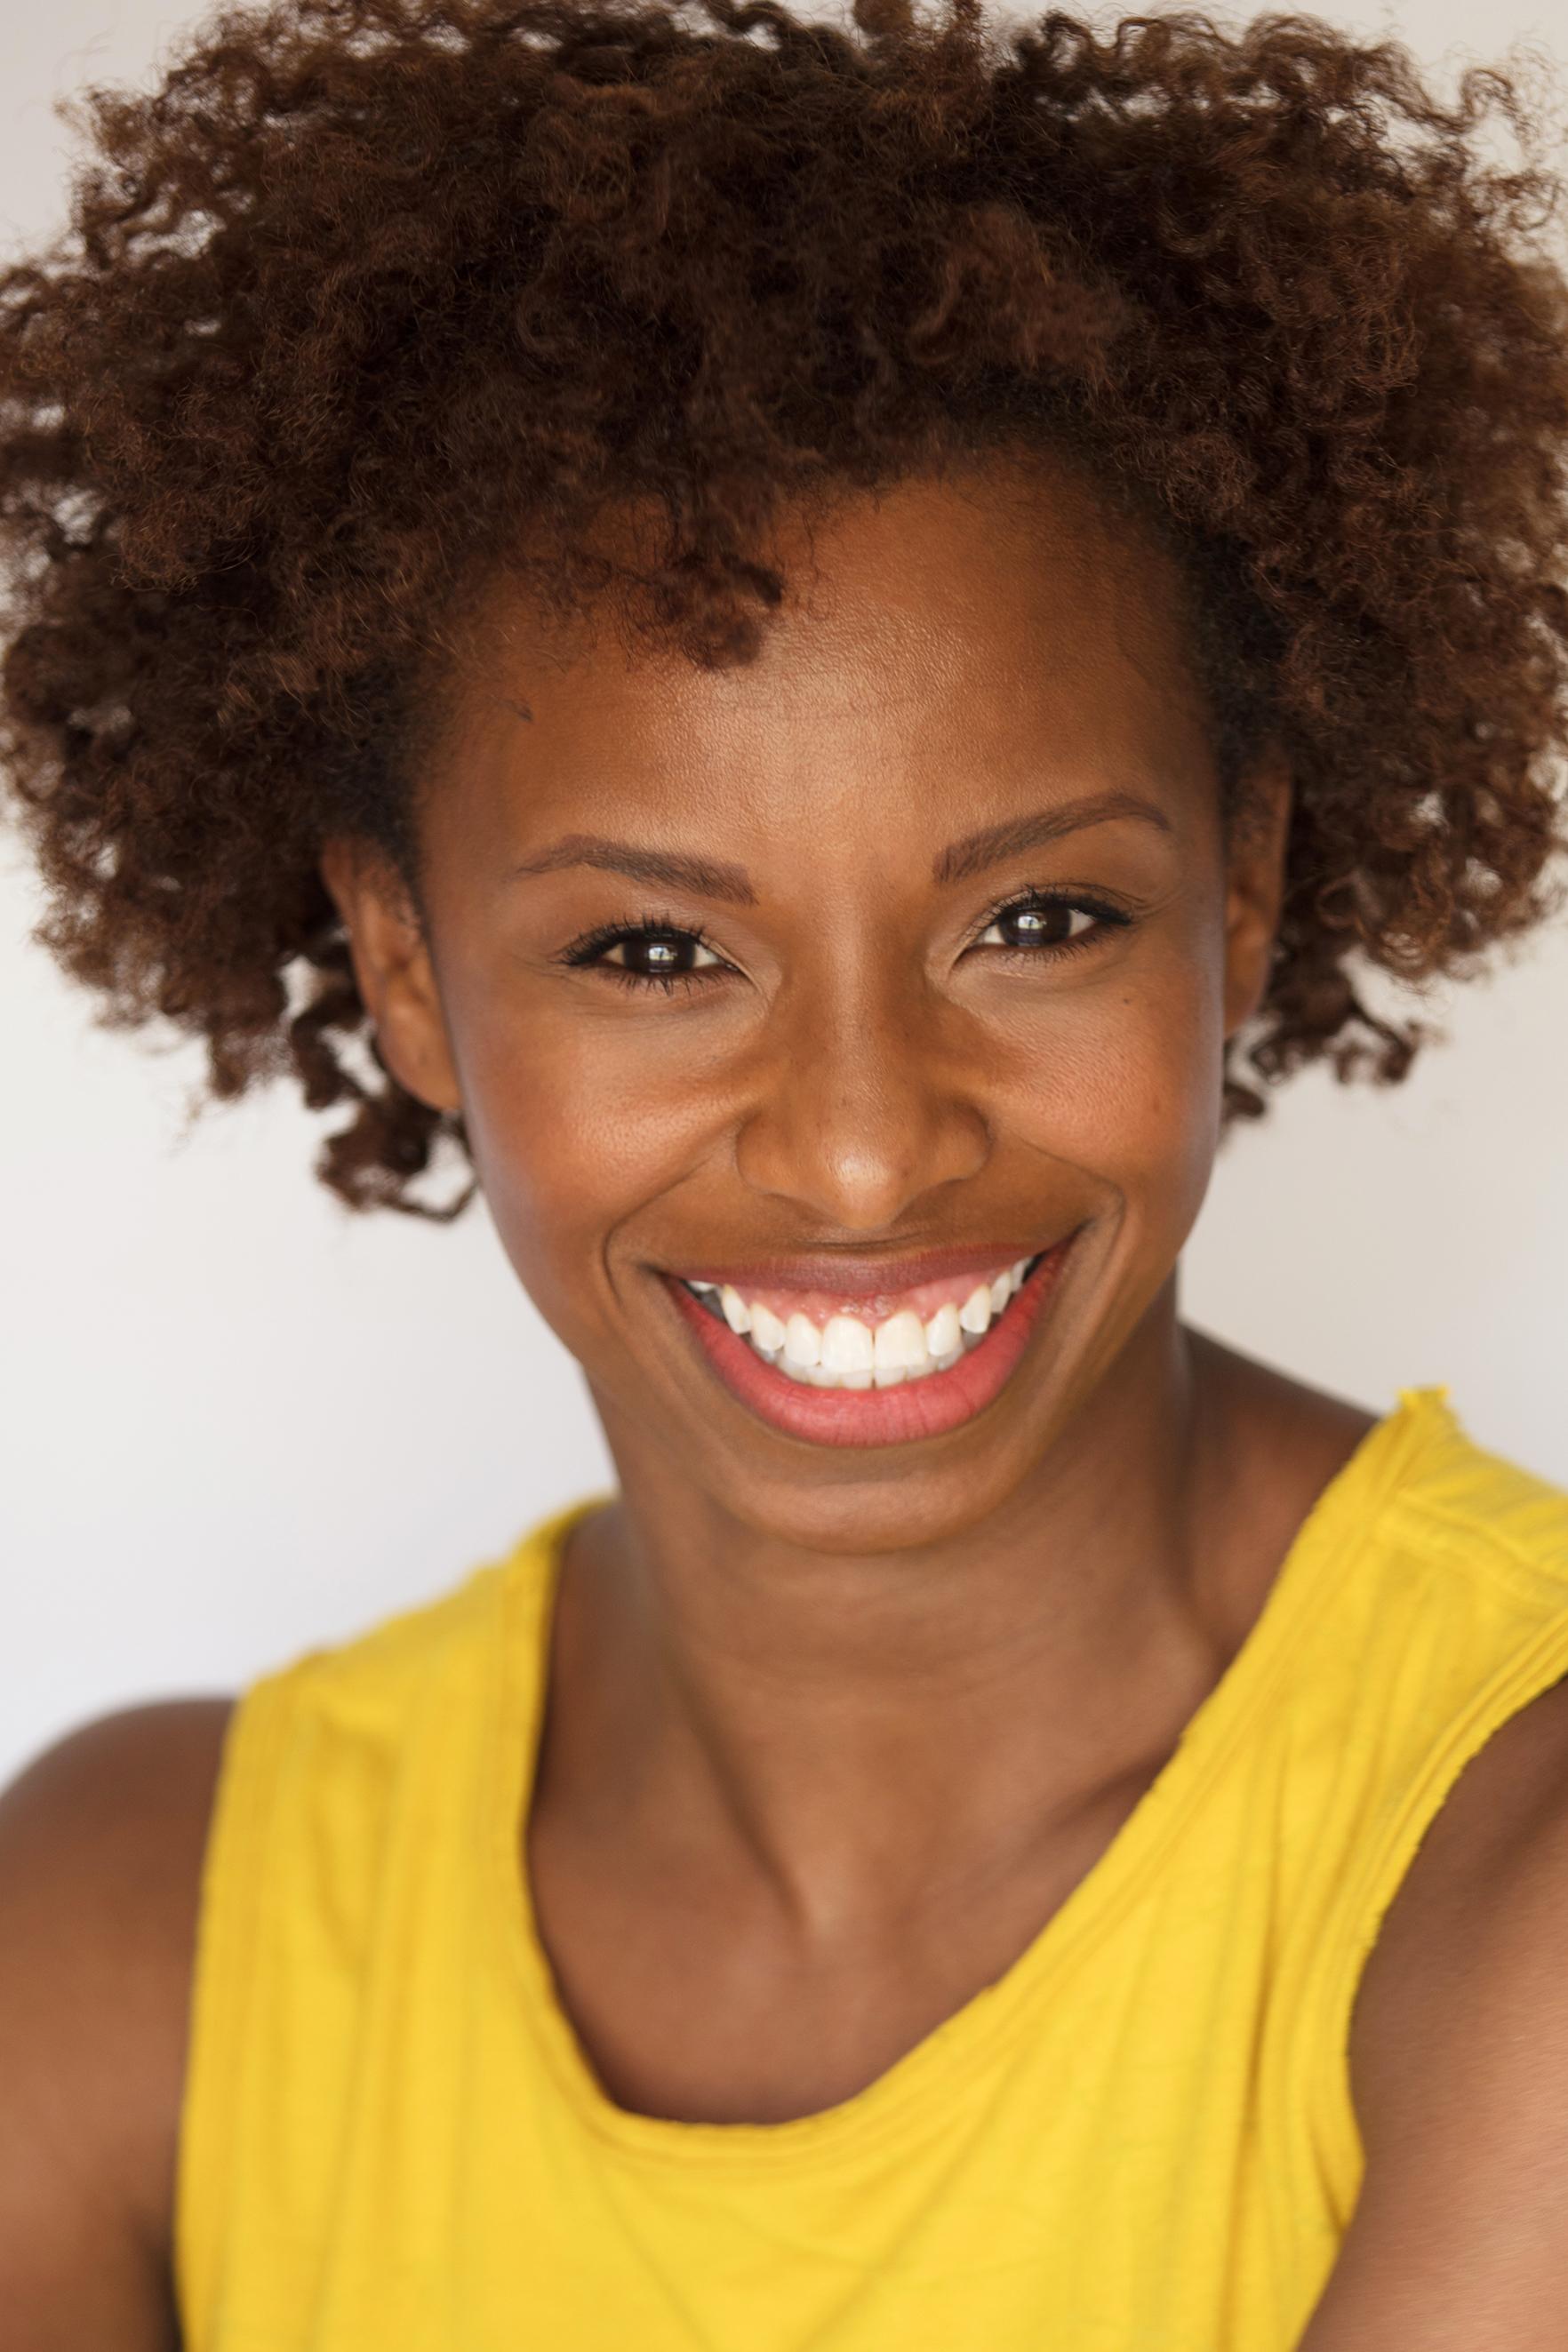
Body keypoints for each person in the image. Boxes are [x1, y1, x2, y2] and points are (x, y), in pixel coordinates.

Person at [3, 0, 1568, 2342]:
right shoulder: (132, 1945)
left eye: (1035, 921)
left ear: (1243, 882)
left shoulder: (1501, 1867)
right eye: (652, 949)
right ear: (406, 964)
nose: (860, 1145)